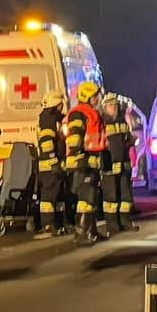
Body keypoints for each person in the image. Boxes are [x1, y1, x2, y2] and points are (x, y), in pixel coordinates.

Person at [64, 81, 108, 244]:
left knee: (92, 197)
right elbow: (75, 136)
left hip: (91, 162)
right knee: (86, 198)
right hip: (83, 163)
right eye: (95, 96)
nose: (98, 98)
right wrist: (79, 157)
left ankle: (91, 231)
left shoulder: (91, 112)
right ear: (87, 96)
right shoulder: (79, 113)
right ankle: (82, 232)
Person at [99, 93, 136, 232]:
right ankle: (112, 225)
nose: (113, 108)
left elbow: (127, 140)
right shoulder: (101, 123)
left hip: (124, 163)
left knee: (125, 196)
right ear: (104, 108)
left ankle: (126, 222)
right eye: (110, 106)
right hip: (109, 165)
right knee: (111, 198)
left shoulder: (122, 122)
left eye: (115, 105)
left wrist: (131, 142)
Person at [33, 90, 68, 237]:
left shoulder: (52, 117)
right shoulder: (48, 118)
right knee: (48, 197)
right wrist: (54, 160)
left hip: (52, 163)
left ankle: (57, 224)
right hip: (49, 164)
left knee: (56, 195)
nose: (62, 106)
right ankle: (48, 225)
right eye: (61, 103)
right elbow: (47, 142)